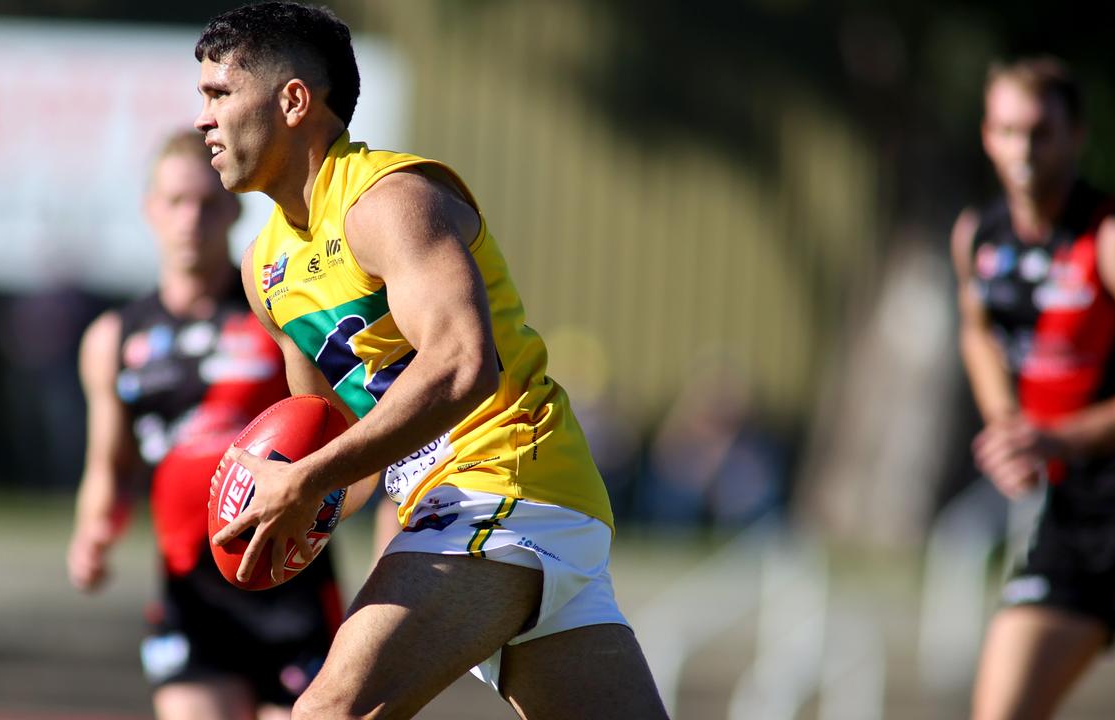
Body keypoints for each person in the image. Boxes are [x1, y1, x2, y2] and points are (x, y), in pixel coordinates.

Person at [192, 3, 668, 718]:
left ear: (292, 100)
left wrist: (310, 479)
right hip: (485, 512)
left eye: (219, 94)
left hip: (502, 488)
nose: (203, 119)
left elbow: (460, 365)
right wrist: (279, 510)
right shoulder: (267, 270)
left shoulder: (389, 201)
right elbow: (334, 442)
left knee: (326, 713)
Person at [66, 130, 344, 720]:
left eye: (207, 203)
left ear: (234, 209)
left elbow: (336, 431)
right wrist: (95, 530)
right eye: (175, 202)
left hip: (288, 580)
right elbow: (110, 467)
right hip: (191, 591)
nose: (191, 219)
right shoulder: (114, 338)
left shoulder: (280, 317)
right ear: (151, 212)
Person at [952, 56, 1115, 719]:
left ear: (1076, 136)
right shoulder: (979, 237)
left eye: (1040, 132)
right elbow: (976, 332)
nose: (1022, 150)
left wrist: (1056, 436)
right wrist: (1007, 423)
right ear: (985, 136)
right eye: (1006, 131)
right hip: (1075, 517)